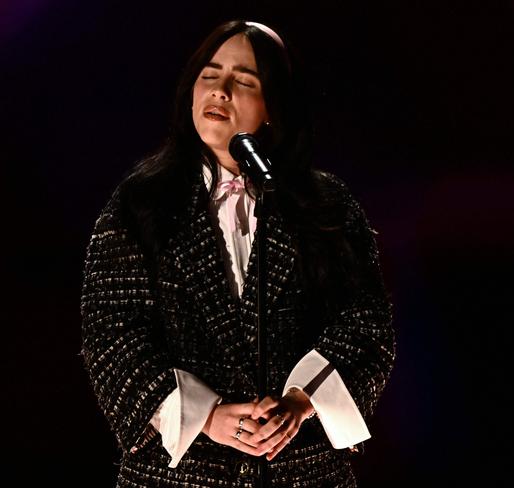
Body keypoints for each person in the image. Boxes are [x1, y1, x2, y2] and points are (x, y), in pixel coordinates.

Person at [80, 19, 395, 487]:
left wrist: (299, 401)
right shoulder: (140, 203)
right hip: (181, 472)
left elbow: (365, 323)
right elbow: (111, 334)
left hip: (301, 470)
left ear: (273, 106)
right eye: (210, 76)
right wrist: (209, 416)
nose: (221, 91)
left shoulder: (324, 205)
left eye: (244, 81)